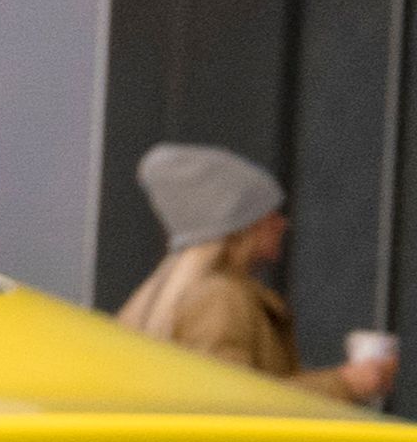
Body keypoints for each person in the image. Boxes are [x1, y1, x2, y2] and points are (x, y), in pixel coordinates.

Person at [113, 143, 394, 399]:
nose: (282, 224)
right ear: (242, 227)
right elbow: (234, 401)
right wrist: (347, 383)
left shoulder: (160, 296)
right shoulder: (219, 297)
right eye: (269, 213)